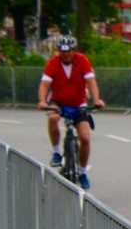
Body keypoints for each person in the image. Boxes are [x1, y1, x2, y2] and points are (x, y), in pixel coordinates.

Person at [36, 35, 105, 190]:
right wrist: (42, 101)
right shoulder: (53, 62)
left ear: (74, 51)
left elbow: (91, 82)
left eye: (69, 52)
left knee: (85, 138)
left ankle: (82, 173)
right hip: (59, 101)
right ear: (59, 51)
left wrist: (97, 100)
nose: (65, 55)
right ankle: (56, 153)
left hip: (78, 102)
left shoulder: (82, 60)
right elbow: (44, 84)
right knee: (53, 116)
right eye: (62, 51)